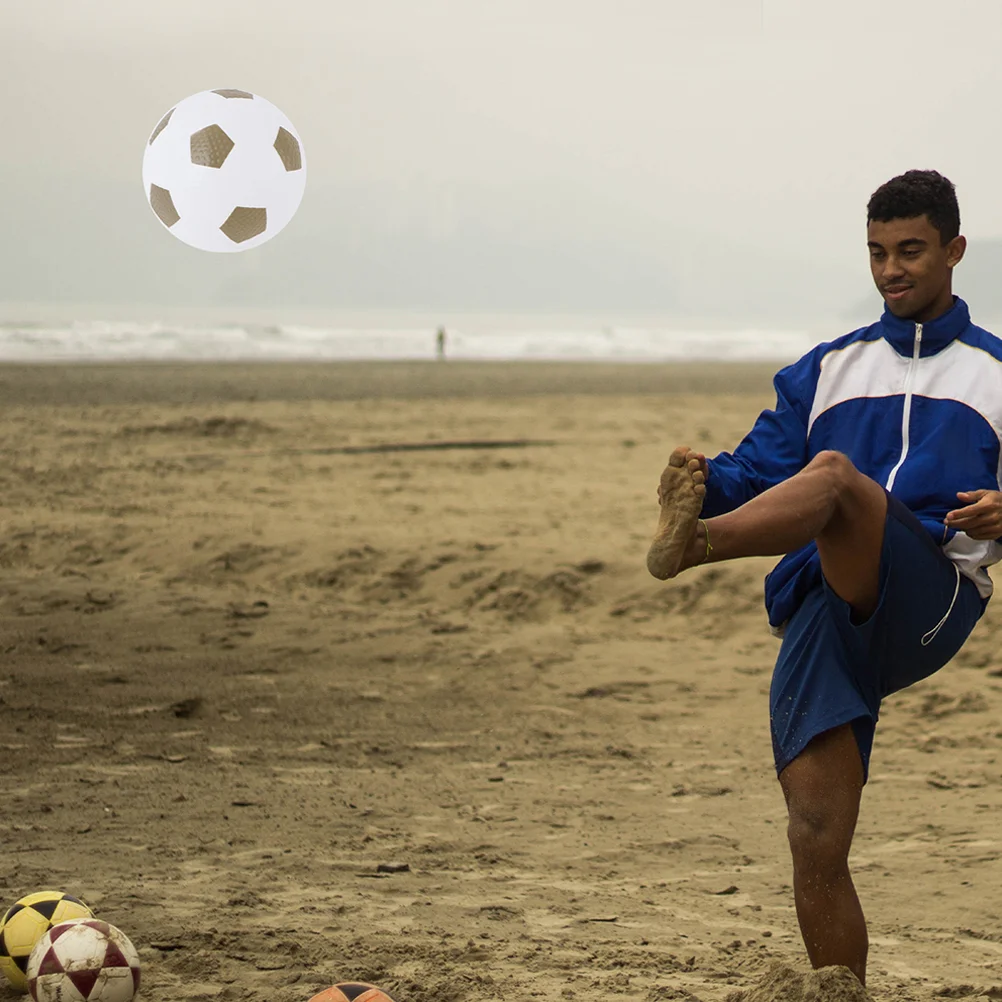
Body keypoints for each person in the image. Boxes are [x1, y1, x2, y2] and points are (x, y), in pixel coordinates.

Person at [646, 169, 1002, 985]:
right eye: (876, 253)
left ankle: (698, 549)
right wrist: (706, 477)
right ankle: (843, 990)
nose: (890, 270)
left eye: (910, 250)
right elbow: (762, 467)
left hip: (932, 593)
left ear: (953, 250)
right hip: (823, 602)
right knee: (814, 835)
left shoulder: (996, 372)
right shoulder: (826, 369)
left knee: (840, 480)